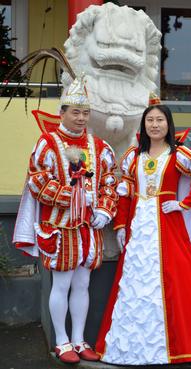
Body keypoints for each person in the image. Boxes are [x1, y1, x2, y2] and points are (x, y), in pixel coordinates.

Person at [96, 102, 191, 365]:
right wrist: (122, 226)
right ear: (143, 125)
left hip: (167, 224)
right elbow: (124, 196)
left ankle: (179, 347)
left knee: (174, 280)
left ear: (168, 124)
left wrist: (183, 203)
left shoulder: (178, 154)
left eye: (159, 120)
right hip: (139, 226)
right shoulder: (133, 157)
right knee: (135, 281)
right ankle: (134, 347)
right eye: (150, 121)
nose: (154, 125)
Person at [13, 77, 118, 364]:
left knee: (82, 284)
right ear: (62, 113)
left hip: (88, 229)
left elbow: (110, 181)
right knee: (61, 285)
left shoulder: (99, 146)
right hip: (59, 229)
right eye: (75, 112)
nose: (81, 118)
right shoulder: (47, 143)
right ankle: (61, 341)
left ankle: (79, 339)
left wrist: (105, 209)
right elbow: (37, 182)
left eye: (85, 113)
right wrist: (70, 197)